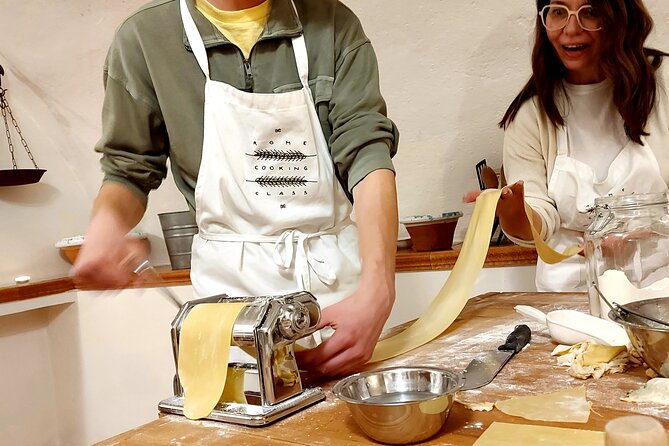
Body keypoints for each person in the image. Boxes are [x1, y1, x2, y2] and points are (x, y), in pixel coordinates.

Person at [72, 0, 400, 377]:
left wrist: (378, 291)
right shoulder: (146, 39)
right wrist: (105, 229)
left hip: (340, 298)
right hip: (229, 310)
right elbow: (129, 169)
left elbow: (366, 151)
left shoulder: (330, 23)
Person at [466, 0, 669, 292]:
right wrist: (511, 211)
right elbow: (538, 221)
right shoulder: (531, 114)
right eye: (558, 12)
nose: (570, 29)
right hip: (569, 296)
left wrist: (648, 232)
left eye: (589, 12)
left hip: (659, 292)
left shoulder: (663, 85)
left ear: (619, 14)